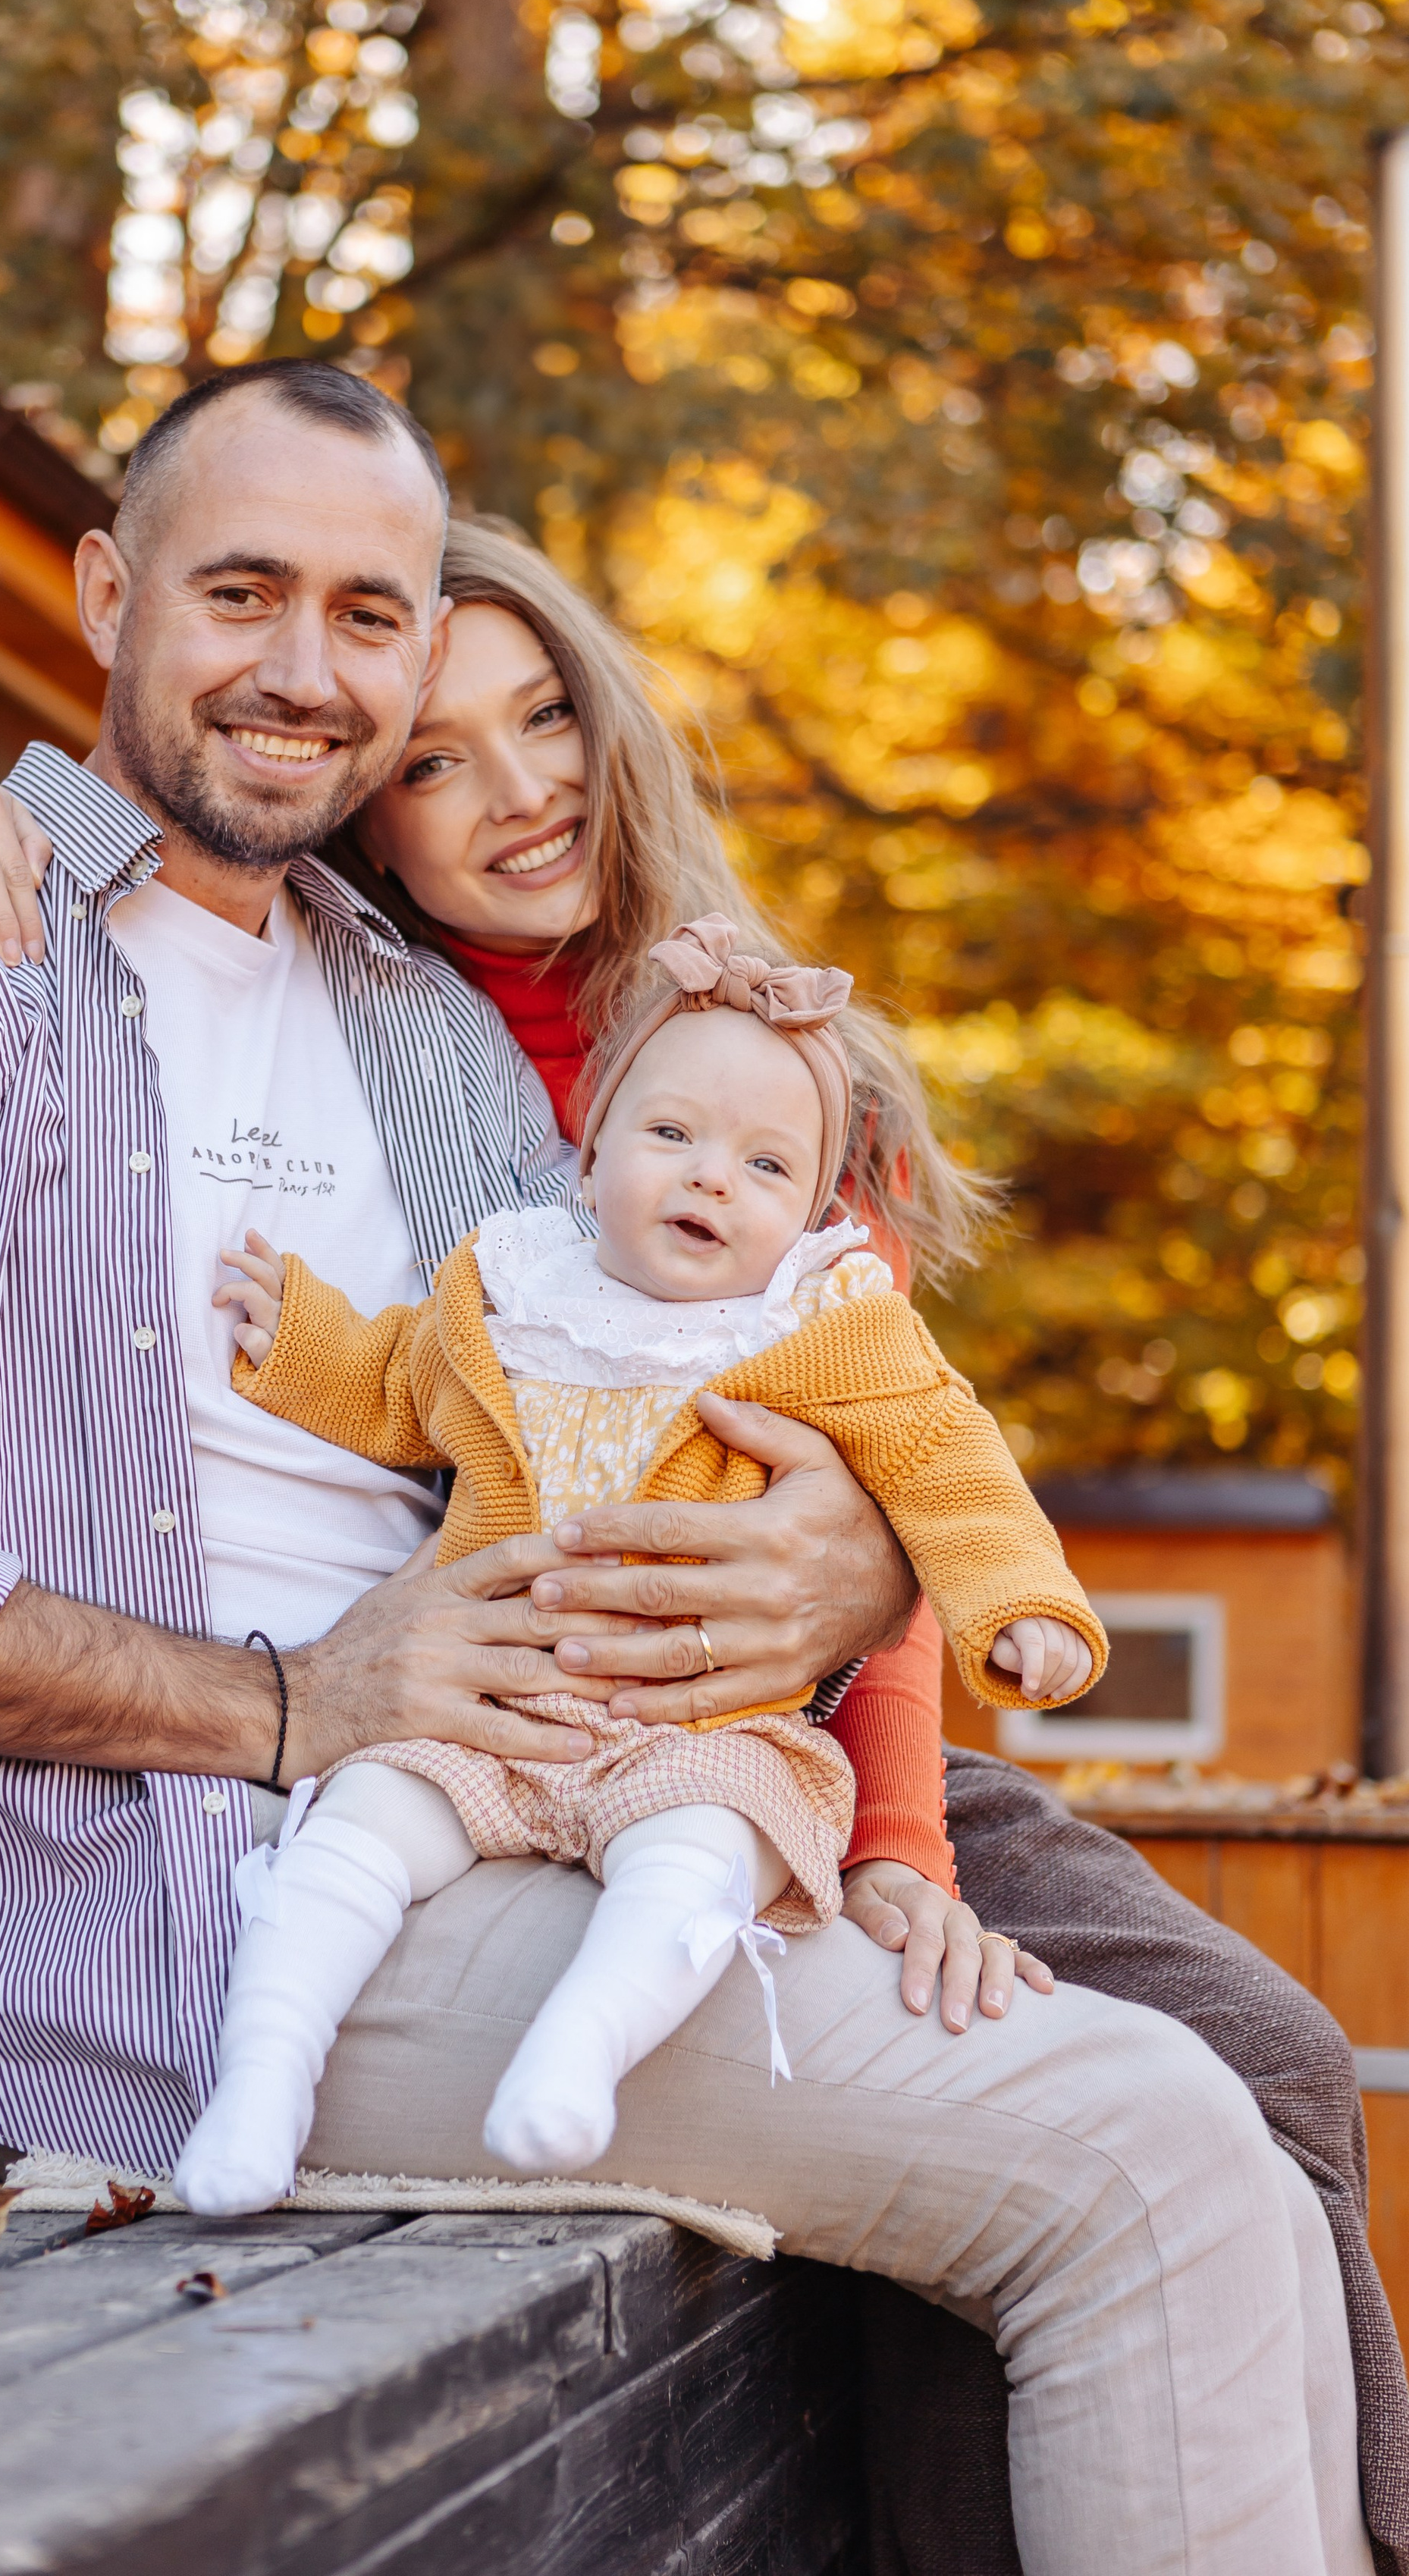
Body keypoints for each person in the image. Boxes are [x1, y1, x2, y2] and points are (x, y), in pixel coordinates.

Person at [0, 359, 1370, 2574]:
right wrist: (290, 1704)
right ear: (103, 590)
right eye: (239, 590)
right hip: (190, 1921)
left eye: (370, 615)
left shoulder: (425, 1023)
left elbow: (716, 1366)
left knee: (1212, 2099)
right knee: (1143, 2152)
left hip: (596, 1808)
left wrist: (852, 1565)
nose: (303, 668)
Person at [177, 924, 1103, 2214]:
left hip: (696, 1722)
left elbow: (948, 1463)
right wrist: (305, 1339)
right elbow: (397, 1385)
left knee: (699, 1859)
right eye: (672, 1137)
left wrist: (1015, 1603)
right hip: (491, 1705)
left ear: (815, 1209)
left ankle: (577, 2057)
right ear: (595, 1147)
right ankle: (259, 2084)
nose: (712, 1180)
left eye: (767, 1164)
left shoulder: (820, 1325)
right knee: (354, 1836)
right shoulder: (511, 1293)